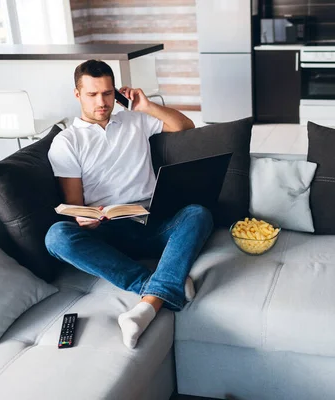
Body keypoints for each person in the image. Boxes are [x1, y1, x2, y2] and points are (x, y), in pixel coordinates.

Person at [45, 59, 213, 349]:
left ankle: (148, 303)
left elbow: (185, 125)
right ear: (77, 94)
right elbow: (74, 204)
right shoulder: (67, 141)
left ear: (116, 92)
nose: (102, 101)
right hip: (108, 232)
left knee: (198, 214)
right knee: (57, 237)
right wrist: (87, 218)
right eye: (92, 94)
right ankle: (156, 287)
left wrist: (146, 106)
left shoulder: (134, 119)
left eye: (108, 93)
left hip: (151, 222)